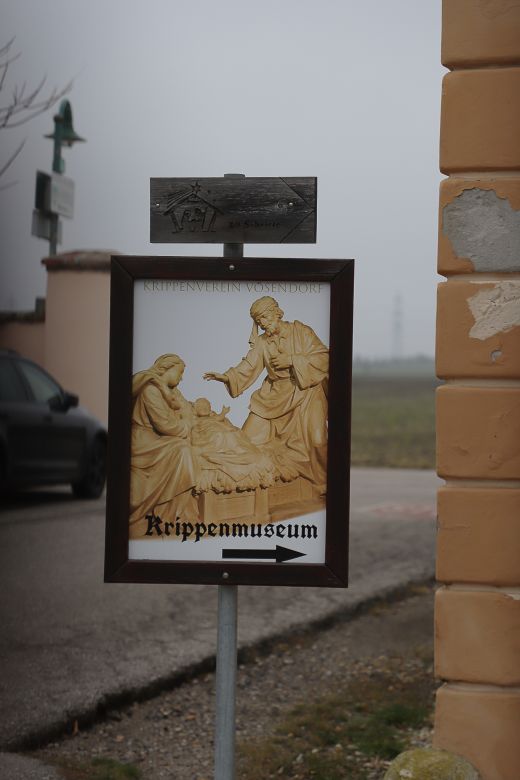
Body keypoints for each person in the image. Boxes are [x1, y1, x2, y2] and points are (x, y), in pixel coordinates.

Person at [203, 296, 329, 493]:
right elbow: (249, 365)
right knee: (245, 441)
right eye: (258, 320)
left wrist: (292, 359)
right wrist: (227, 377)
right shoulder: (263, 343)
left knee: (318, 440)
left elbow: (324, 358)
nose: (262, 323)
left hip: (307, 392)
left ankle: (322, 483)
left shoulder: (301, 331)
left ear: (276, 312)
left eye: (263, 317)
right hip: (273, 397)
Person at [130, 354, 198, 530]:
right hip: (146, 443)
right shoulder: (151, 390)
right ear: (167, 368)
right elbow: (164, 425)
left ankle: (176, 512)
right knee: (183, 451)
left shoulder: (171, 390)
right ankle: (169, 513)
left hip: (159, 440)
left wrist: (192, 415)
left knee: (189, 448)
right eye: (180, 373)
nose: (181, 378)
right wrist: (186, 426)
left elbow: (186, 408)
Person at [191, 397, 275, 493]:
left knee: (231, 435)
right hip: (209, 434)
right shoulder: (195, 420)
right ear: (196, 409)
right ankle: (229, 451)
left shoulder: (212, 417)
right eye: (201, 406)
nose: (205, 408)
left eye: (207, 406)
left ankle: (237, 451)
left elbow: (219, 418)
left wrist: (223, 413)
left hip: (218, 430)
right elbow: (193, 429)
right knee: (220, 436)